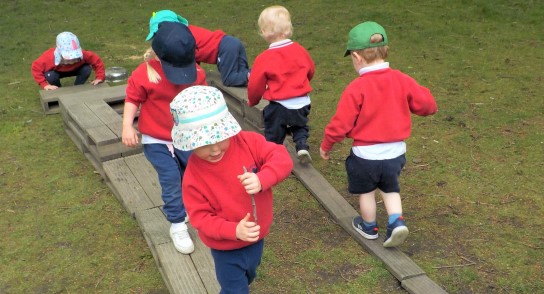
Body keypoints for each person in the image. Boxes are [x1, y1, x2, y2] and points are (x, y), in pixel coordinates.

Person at [319, 21, 437, 248]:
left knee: (366, 192)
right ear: (385, 51)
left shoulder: (357, 87)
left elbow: (341, 123)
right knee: (390, 187)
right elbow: (428, 105)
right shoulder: (401, 79)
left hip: (365, 155)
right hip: (395, 154)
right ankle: (396, 221)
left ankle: (369, 225)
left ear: (357, 57)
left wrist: (327, 144)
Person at [170, 85, 293, 293]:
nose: (215, 148)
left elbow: (281, 157)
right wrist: (233, 230)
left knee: (250, 274)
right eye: (204, 143)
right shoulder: (193, 176)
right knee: (235, 289)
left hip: (257, 236)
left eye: (220, 138)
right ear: (190, 143)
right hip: (226, 248)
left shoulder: (247, 142)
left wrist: (263, 178)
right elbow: (201, 218)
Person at [121, 21, 207, 254]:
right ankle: (177, 223)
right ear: (158, 55)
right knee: (170, 178)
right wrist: (128, 126)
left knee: (192, 174)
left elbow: (202, 101)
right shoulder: (144, 73)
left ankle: (194, 208)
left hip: (186, 138)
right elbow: (132, 99)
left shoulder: (197, 73)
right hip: (156, 139)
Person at [247, 5, 315, 164]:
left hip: (279, 104)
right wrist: (302, 84)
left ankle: (271, 154)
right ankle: (302, 145)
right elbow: (310, 70)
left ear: (264, 32)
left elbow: (255, 85)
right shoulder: (300, 50)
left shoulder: (264, 58)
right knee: (300, 125)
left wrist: (253, 100)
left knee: (273, 129)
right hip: (301, 102)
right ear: (289, 29)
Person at [146, 10, 250, 87]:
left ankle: (253, 74)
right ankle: (257, 74)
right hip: (232, 42)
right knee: (243, 74)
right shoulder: (185, 33)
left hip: (225, 48)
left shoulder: (181, 39)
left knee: (229, 79)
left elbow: (189, 62)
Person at [31, 32, 105, 90]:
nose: (72, 62)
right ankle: (57, 89)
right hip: (57, 72)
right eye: (69, 59)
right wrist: (44, 84)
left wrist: (99, 77)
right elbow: (36, 67)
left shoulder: (84, 54)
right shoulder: (49, 57)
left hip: (76, 69)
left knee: (86, 69)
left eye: (75, 58)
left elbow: (96, 61)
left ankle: (78, 87)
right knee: (50, 75)